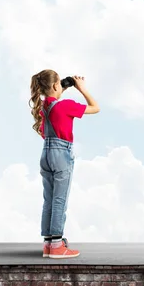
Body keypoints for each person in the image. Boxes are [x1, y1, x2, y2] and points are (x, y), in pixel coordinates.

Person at [29, 70, 100, 259]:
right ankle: (57, 245)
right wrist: (82, 89)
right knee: (60, 199)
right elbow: (95, 107)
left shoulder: (43, 107)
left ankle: (48, 244)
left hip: (46, 153)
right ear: (54, 86)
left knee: (49, 199)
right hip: (61, 154)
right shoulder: (66, 106)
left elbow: (46, 128)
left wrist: (62, 87)